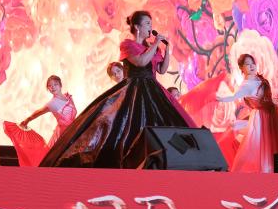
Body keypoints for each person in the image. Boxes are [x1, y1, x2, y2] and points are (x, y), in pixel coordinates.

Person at [40, 10, 195, 168]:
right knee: (126, 125)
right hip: (135, 91)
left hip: (154, 90)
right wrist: (155, 44)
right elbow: (141, 62)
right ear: (137, 27)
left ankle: (169, 161)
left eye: (151, 23)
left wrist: (166, 49)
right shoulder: (127, 45)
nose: (151, 27)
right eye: (147, 23)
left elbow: (161, 70)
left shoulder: (153, 48)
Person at [217, 53, 278, 173]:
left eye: (252, 63)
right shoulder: (245, 85)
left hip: (269, 115)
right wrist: (219, 99)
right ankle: (252, 171)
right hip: (259, 117)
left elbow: (265, 99)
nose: (251, 66)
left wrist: (274, 102)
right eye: (247, 64)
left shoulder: (259, 79)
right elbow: (234, 97)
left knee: (269, 145)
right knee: (256, 145)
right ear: (242, 68)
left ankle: (269, 170)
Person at [4, 75, 78, 167]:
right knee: (58, 159)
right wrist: (27, 120)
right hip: (63, 134)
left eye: (55, 84)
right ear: (48, 89)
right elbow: (38, 112)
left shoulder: (68, 97)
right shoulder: (52, 103)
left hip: (74, 130)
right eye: (50, 86)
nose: (53, 87)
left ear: (60, 85)